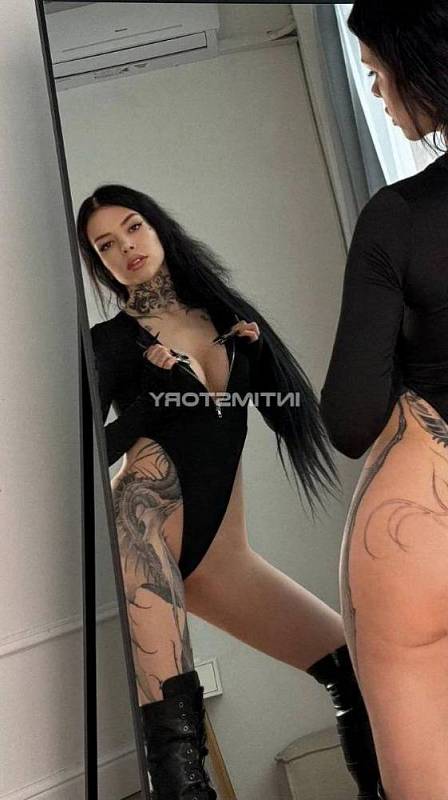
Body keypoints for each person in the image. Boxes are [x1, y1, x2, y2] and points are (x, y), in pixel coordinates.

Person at [77, 183, 381, 800]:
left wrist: (259, 353)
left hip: (222, 559)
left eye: (132, 227)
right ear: (101, 265)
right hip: (142, 538)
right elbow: (84, 455)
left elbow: (288, 411)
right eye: (105, 246)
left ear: (158, 228)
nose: (125, 247)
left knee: (356, 671)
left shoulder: (223, 317)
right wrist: (146, 408)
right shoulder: (110, 342)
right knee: (176, 738)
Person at [320, 3, 448, 799]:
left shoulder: (397, 218)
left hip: (423, 530)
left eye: (376, 72)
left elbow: (350, 417)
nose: (376, 92)